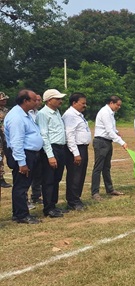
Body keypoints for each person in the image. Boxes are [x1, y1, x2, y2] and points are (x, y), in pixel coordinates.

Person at [4, 90, 43, 224]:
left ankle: (19, 213)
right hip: (23, 155)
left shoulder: (25, 114)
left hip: (30, 153)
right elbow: (16, 142)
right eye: (34, 100)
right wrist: (22, 162)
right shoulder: (16, 117)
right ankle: (21, 215)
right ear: (25, 101)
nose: (36, 102)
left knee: (23, 185)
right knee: (21, 186)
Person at [36, 89, 67, 218]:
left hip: (60, 148)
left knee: (57, 178)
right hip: (51, 149)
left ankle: (53, 205)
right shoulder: (43, 114)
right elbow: (44, 135)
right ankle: (48, 208)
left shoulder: (57, 112)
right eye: (57, 98)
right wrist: (50, 155)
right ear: (49, 100)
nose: (60, 101)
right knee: (49, 179)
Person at [91, 96, 128, 200]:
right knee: (98, 168)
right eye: (118, 105)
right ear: (111, 102)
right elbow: (108, 131)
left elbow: (112, 128)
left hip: (107, 142)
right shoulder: (105, 112)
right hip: (101, 142)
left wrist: (117, 132)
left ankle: (110, 189)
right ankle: (95, 192)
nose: (119, 107)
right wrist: (121, 142)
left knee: (106, 167)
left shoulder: (111, 113)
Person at [62, 93, 92, 211]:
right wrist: (76, 153)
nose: (85, 105)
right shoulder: (70, 115)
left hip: (82, 147)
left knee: (81, 174)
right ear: (74, 103)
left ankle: (76, 197)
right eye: (82, 103)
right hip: (75, 149)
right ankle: (72, 201)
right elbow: (69, 135)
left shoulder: (78, 115)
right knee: (75, 175)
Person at [28, 94, 43, 205]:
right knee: (27, 175)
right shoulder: (26, 114)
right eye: (35, 100)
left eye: (39, 100)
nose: (37, 102)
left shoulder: (39, 114)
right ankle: (25, 200)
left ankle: (36, 196)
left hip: (39, 149)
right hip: (29, 150)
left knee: (38, 174)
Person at [0, 92, 12, 188]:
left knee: (3, 156)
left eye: (5, 99)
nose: (4, 100)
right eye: (2, 99)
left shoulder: (6, 110)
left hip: (5, 137)